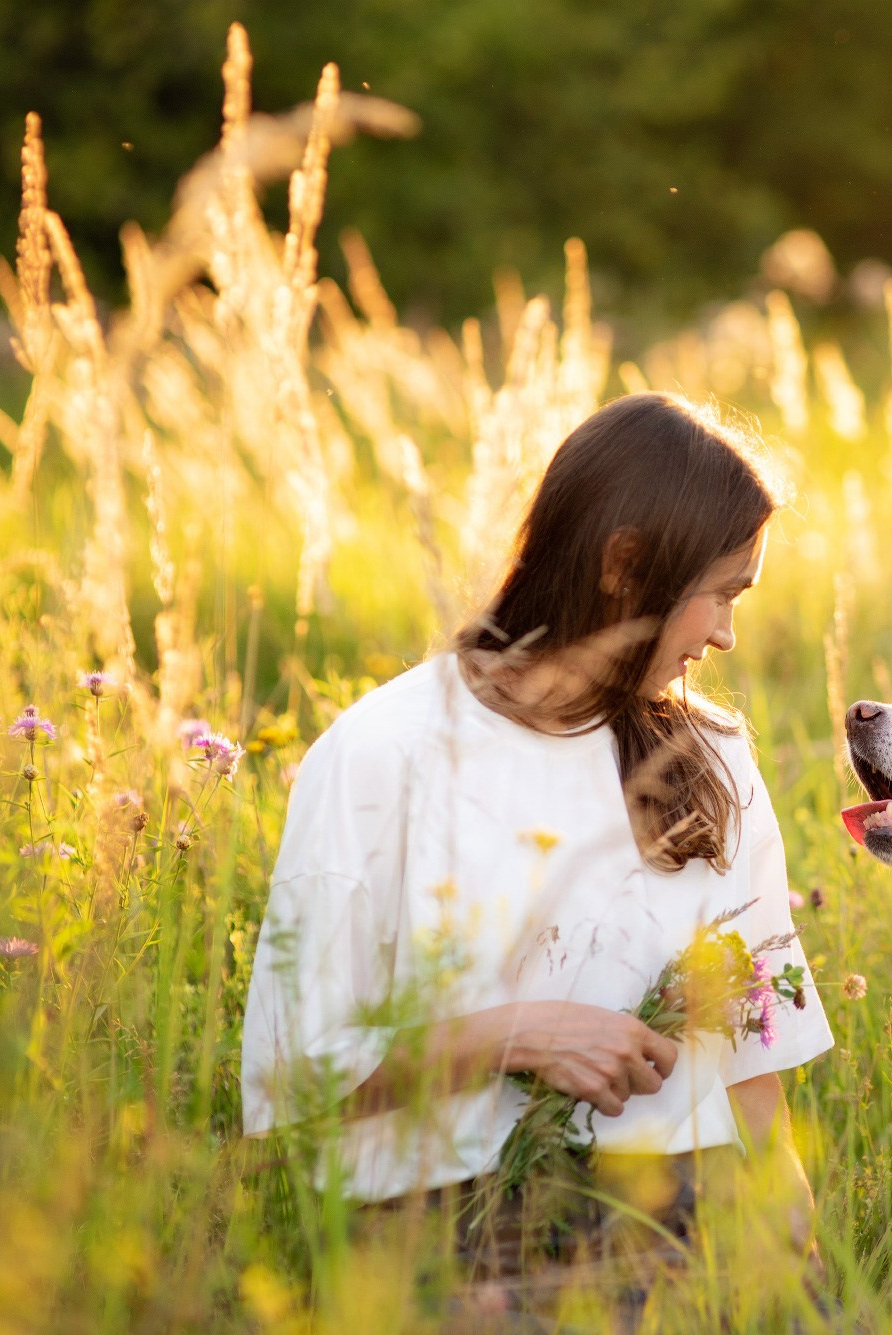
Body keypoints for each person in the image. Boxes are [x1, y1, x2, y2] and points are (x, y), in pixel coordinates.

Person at [240, 392, 832, 1290]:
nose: (727, 633)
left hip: (690, 1215)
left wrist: (791, 1247)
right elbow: (292, 1078)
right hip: (457, 1230)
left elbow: (755, 1045)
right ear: (624, 566)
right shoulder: (382, 754)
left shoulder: (709, 757)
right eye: (718, 594)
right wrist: (514, 1036)